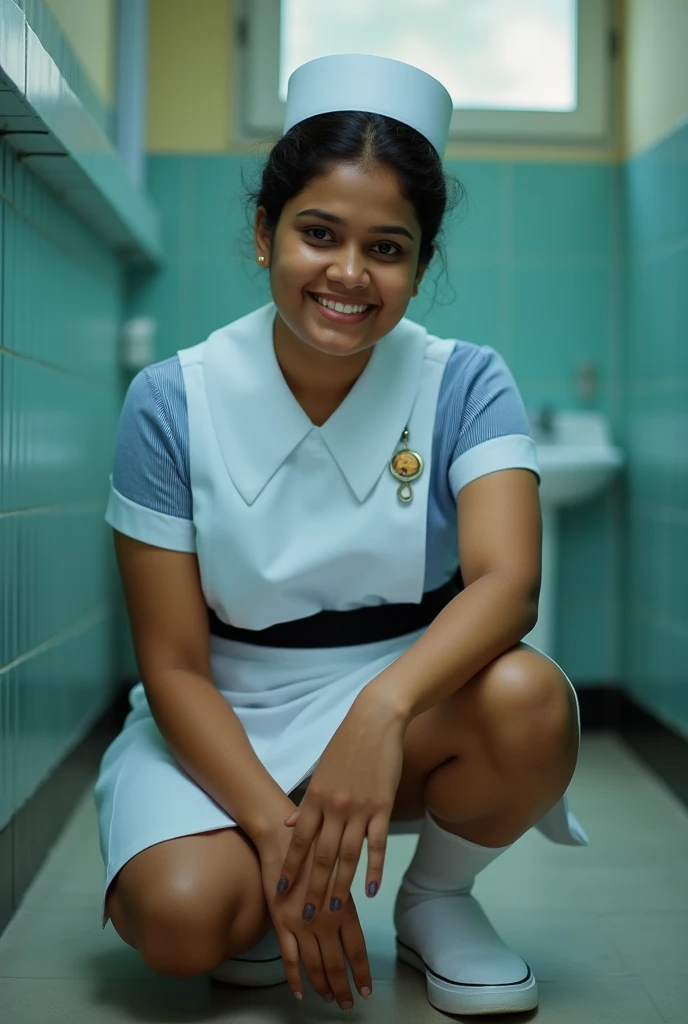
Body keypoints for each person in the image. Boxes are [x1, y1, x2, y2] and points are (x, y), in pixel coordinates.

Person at [94, 53, 589, 1017]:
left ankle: (437, 898)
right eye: (319, 234)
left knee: (531, 697)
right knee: (185, 924)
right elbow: (174, 665)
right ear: (263, 233)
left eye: (389, 248)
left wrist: (383, 709)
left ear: (421, 261)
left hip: (402, 706)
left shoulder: (465, 381)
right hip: (220, 708)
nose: (350, 276)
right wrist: (279, 833)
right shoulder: (172, 399)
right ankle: (260, 878)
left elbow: (506, 585)